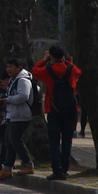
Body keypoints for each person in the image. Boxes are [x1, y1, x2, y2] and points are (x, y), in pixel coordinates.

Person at [31, 45, 81, 180]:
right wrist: (66, 61)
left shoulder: (47, 70)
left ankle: (57, 169)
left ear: (51, 56)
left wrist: (44, 60)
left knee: (53, 141)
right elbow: (79, 71)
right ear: (63, 56)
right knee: (67, 141)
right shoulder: (71, 69)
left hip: (54, 109)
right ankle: (65, 169)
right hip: (71, 110)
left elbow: (34, 71)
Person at [0, 58, 36, 180]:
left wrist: (8, 100)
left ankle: (28, 164)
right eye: (7, 67)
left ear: (19, 67)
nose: (9, 69)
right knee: (9, 141)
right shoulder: (14, 80)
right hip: (13, 115)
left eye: (11, 66)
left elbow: (23, 96)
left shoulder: (23, 80)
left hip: (21, 115)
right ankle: (7, 168)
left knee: (15, 140)